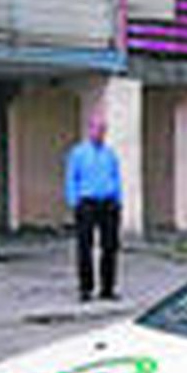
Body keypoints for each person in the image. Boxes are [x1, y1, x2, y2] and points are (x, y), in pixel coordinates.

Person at [64, 114, 122, 302]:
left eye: (103, 129)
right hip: (87, 203)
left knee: (110, 247)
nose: (100, 133)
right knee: (85, 247)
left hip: (108, 203)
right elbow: (71, 178)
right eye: (97, 128)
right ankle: (86, 288)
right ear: (89, 130)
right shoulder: (78, 153)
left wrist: (118, 200)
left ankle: (108, 288)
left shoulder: (110, 153)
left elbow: (116, 177)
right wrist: (74, 202)